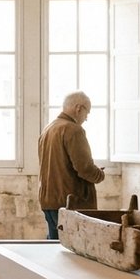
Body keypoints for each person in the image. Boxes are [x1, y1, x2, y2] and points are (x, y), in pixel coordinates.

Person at [37, 91, 106, 240]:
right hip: (70, 202)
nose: (86, 118)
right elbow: (84, 168)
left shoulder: (48, 129)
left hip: (49, 200)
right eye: (87, 112)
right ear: (78, 108)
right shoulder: (73, 130)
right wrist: (100, 175)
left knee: (55, 250)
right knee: (74, 254)